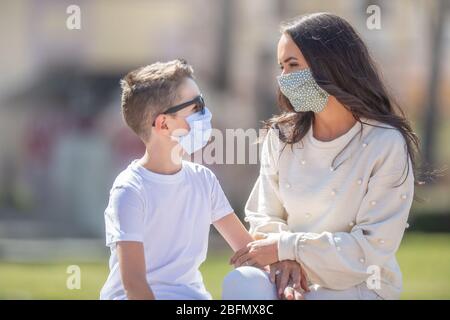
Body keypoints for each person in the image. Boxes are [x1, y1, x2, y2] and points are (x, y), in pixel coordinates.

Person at [223, 12, 420, 300]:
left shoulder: (385, 143)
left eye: (293, 65)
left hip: (361, 285)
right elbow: (263, 214)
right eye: (281, 67)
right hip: (286, 277)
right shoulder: (282, 135)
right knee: (241, 283)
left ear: (330, 64)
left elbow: (372, 247)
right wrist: (285, 259)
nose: (284, 79)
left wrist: (288, 248)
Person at [100, 59, 256, 300]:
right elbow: (134, 285)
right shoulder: (130, 190)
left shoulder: (204, 180)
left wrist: (283, 265)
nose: (206, 113)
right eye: (196, 106)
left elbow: (248, 251)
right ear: (163, 124)